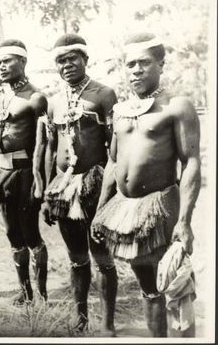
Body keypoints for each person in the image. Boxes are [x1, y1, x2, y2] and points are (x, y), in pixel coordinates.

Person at [92, 32, 201, 337]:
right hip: (127, 211)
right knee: (148, 287)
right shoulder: (121, 110)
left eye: (144, 62)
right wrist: (101, 209)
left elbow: (190, 161)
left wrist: (185, 221)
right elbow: (113, 163)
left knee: (176, 284)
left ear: (161, 65)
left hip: (161, 206)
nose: (136, 70)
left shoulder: (177, 106)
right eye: (130, 64)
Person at [42, 34, 118, 334]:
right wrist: (48, 192)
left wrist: (112, 192)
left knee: (102, 256)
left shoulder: (103, 94)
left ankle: (108, 323)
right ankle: (81, 317)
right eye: (61, 60)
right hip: (63, 187)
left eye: (72, 57)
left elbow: (116, 146)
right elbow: (51, 147)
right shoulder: (54, 101)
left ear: (86, 59)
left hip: (96, 185)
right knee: (76, 256)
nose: (67, 64)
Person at [0, 39, 48, 305]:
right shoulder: (2, 98)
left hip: (25, 174)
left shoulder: (36, 98)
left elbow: (45, 145)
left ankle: (42, 294)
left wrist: (40, 182)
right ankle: (25, 292)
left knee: (30, 232)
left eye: (7, 61)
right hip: (3, 174)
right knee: (12, 234)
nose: (1, 67)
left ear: (23, 61)